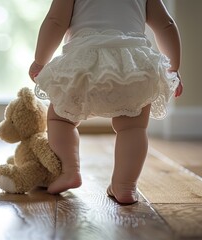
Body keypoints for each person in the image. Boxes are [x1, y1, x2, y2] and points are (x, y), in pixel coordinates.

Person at [28, 0, 183, 204]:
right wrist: (173, 69)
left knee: (61, 121)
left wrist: (40, 61)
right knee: (133, 129)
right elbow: (166, 25)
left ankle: (70, 170)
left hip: (84, 63)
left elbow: (55, 21)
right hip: (133, 64)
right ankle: (125, 184)